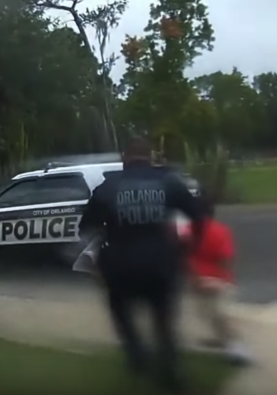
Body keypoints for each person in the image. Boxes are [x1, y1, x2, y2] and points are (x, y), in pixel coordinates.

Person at [78, 137, 205, 393]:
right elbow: (199, 217)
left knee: (121, 311)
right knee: (164, 319)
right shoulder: (169, 181)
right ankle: (171, 373)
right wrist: (186, 248)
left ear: (124, 158)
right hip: (161, 262)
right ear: (151, 157)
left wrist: (103, 241)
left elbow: (85, 227)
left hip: (119, 265)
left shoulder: (108, 186)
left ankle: (137, 356)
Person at [185, 195, 253, 366]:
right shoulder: (220, 230)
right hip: (218, 281)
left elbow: (184, 258)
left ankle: (235, 346)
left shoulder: (187, 231)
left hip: (198, 281)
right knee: (220, 315)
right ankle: (230, 343)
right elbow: (226, 258)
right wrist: (223, 280)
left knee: (211, 314)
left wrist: (196, 279)